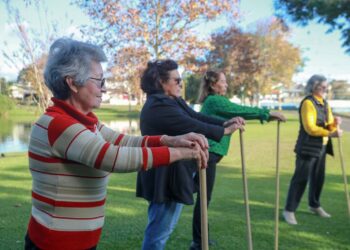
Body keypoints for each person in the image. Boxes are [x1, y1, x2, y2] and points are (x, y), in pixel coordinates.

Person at [24, 38, 209, 250]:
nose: (104, 89)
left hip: (77, 241)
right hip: (54, 244)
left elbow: (122, 141)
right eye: (99, 81)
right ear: (72, 82)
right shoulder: (58, 124)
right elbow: (112, 157)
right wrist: (180, 153)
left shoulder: (84, 121)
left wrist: (169, 140)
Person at [136, 60, 244, 250]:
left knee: (163, 228)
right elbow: (192, 125)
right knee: (159, 231)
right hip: (163, 176)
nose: (181, 84)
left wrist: (224, 124)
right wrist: (223, 132)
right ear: (161, 82)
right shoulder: (157, 107)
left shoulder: (171, 101)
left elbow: (196, 117)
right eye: (177, 80)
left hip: (174, 172)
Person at [190, 70, 286, 249]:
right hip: (207, 154)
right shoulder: (214, 100)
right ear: (213, 85)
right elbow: (241, 110)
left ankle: (200, 238)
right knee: (203, 197)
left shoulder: (216, 101)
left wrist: (264, 117)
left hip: (210, 154)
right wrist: (268, 114)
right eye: (223, 82)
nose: (226, 85)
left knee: (203, 195)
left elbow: (237, 113)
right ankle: (198, 241)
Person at [283, 74, 343, 225]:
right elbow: (310, 128)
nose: (323, 89)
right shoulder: (308, 103)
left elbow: (327, 125)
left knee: (318, 179)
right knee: (301, 179)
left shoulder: (325, 103)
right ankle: (289, 210)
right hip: (307, 147)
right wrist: (331, 132)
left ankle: (314, 205)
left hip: (322, 146)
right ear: (312, 87)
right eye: (320, 87)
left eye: (325, 86)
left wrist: (335, 123)